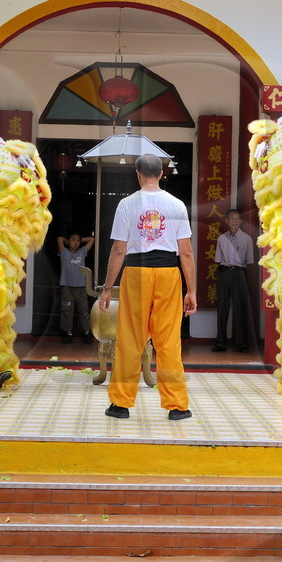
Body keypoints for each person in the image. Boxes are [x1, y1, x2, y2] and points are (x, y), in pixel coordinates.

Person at [97, 155, 197, 421]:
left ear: (138, 174)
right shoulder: (176, 204)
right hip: (168, 273)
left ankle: (120, 405)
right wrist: (191, 290)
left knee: (130, 339)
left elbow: (119, 250)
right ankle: (177, 406)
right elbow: (186, 252)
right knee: (168, 342)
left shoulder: (127, 204)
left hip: (136, 274)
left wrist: (107, 288)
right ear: (162, 174)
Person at [212, 208, 259, 353]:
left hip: (239, 273)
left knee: (240, 308)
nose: (235, 221)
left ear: (241, 221)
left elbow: (249, 262)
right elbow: (218, 260)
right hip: (224, 273)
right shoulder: (221, 239)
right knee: (222, 308)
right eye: (232, 219)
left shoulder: (247, 239)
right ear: (226, 221)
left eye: (238, 219)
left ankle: (241, 343)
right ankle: (221, 343)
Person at [56, 231, 95, 343]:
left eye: (78, 240)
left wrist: (80, 239)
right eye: (73, 240)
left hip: (81, 286)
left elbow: (92, 239)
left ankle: (87, 332)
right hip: (67, 287)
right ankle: (69, 333)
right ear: (68, 241)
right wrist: (68, 241)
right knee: (67, 310)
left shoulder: (82, 252)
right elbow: (59, 238)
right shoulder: (64, 252)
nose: (76, 243)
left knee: (84, 310)